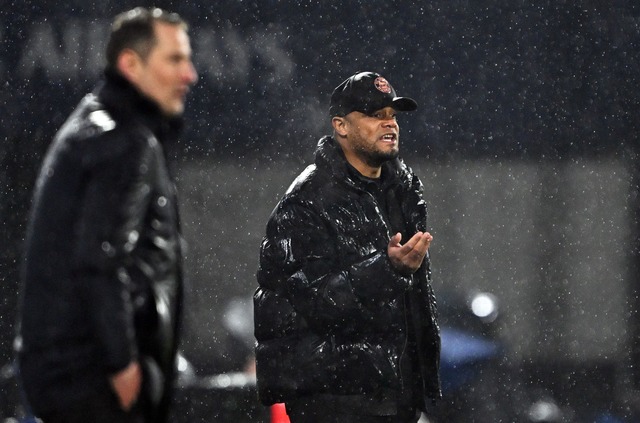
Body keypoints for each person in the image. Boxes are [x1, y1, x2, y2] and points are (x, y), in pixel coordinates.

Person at [15, 7, 197, 423]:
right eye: (175, 59)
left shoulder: (90, 125)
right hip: (93, 381)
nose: (190, 75)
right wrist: (123, 365)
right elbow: (100, 259)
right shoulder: (123, 141)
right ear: (130, 64)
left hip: (64, 374)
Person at [253, 71, 441, 423]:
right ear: (340, 126)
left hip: (395, 397)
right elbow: (310, 303)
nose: (389, 124)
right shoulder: (306, 202)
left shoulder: (402, 190)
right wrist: (387, 271)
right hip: (334, 401)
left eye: (392, 115)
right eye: (374, 115)